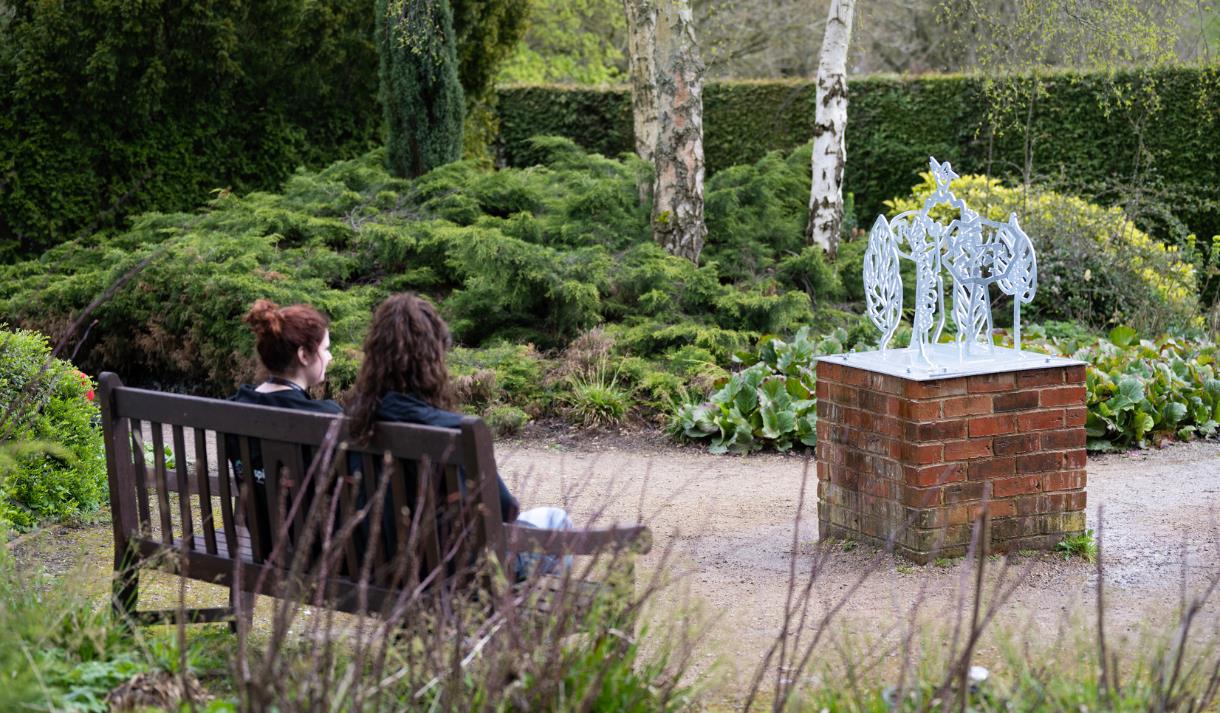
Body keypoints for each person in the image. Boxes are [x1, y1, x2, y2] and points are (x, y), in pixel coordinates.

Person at [347, 293, 571, 577]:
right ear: (434, 359)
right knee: (557, 520)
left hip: (380, 566)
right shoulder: (452, 430)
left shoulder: (353, 422)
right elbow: (505, 510)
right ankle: (531, 620)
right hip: (454, 573)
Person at [230, 299, 341, 561]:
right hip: (314, 552)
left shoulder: (236, 407)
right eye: (325, 349)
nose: (329, 357)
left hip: (263, 545)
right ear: (304, 355)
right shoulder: (326, 416)